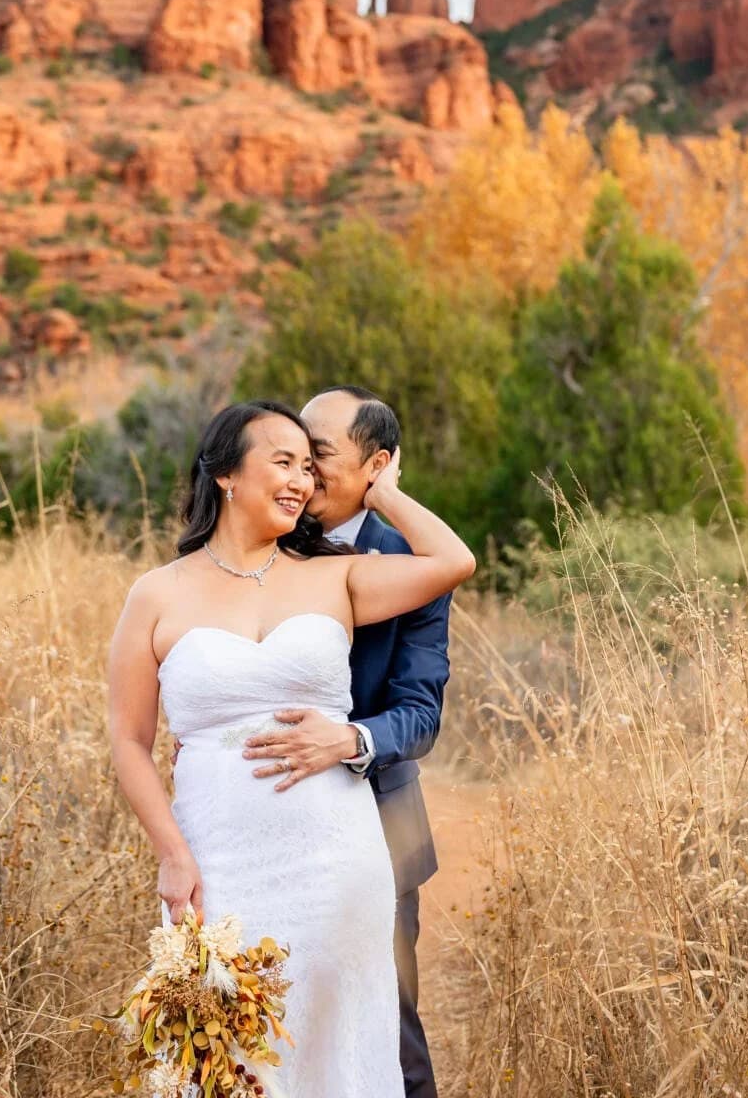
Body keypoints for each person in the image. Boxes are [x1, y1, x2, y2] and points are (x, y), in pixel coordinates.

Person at [107, 401, 475, 1096]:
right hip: (217, 857)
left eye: (311, 465)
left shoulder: (336, 576)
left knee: (349, 1042)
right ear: (224, 476)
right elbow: (128, 739)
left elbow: (455, 561)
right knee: (230, 1056)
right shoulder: (155, 594)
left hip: (338, 854)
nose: (303, 480)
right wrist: (172, 853)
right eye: (285, 461)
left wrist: (387, 490)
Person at [237, 386, 447, 1097]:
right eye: (296, 451)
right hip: (269, 825)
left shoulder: (412, 560)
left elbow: (420, 713)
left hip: (380, 826)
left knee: (388, 1029)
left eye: (321, 454)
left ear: (376, 465)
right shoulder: (269, 540)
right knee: (270, 1019)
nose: (305, 472)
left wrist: (348, 739)